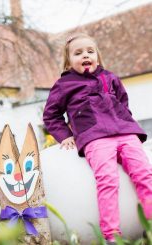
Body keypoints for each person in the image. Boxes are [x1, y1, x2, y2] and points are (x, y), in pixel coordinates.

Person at [43, 33, 152, 244]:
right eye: (78, 53)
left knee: (145, 175)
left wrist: (124, 120)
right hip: (94, 138)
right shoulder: (64, 85)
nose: (85, 55)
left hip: (126, 133)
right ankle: (112, 236)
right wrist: (64, 135)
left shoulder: (110, 78)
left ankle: (150, 225)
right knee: (108, 180)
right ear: (69, 61)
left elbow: (123, 102)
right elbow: (51, 114)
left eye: (90, 51)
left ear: (97, 57)